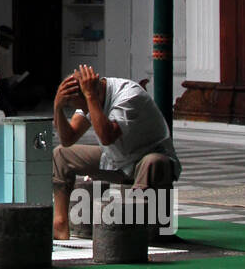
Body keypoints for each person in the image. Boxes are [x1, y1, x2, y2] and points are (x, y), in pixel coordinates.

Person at [50, 63, 179, 241]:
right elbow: (67, 139)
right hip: (117, 160)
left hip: (149, 160)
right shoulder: (90, 98)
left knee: (153, 161)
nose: (84, 112)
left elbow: (107, 136)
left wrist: (90, 98)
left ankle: (135, 228)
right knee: (60, 154)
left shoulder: (128, 96)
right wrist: (57, 107)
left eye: (83, 105)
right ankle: (60, 223)